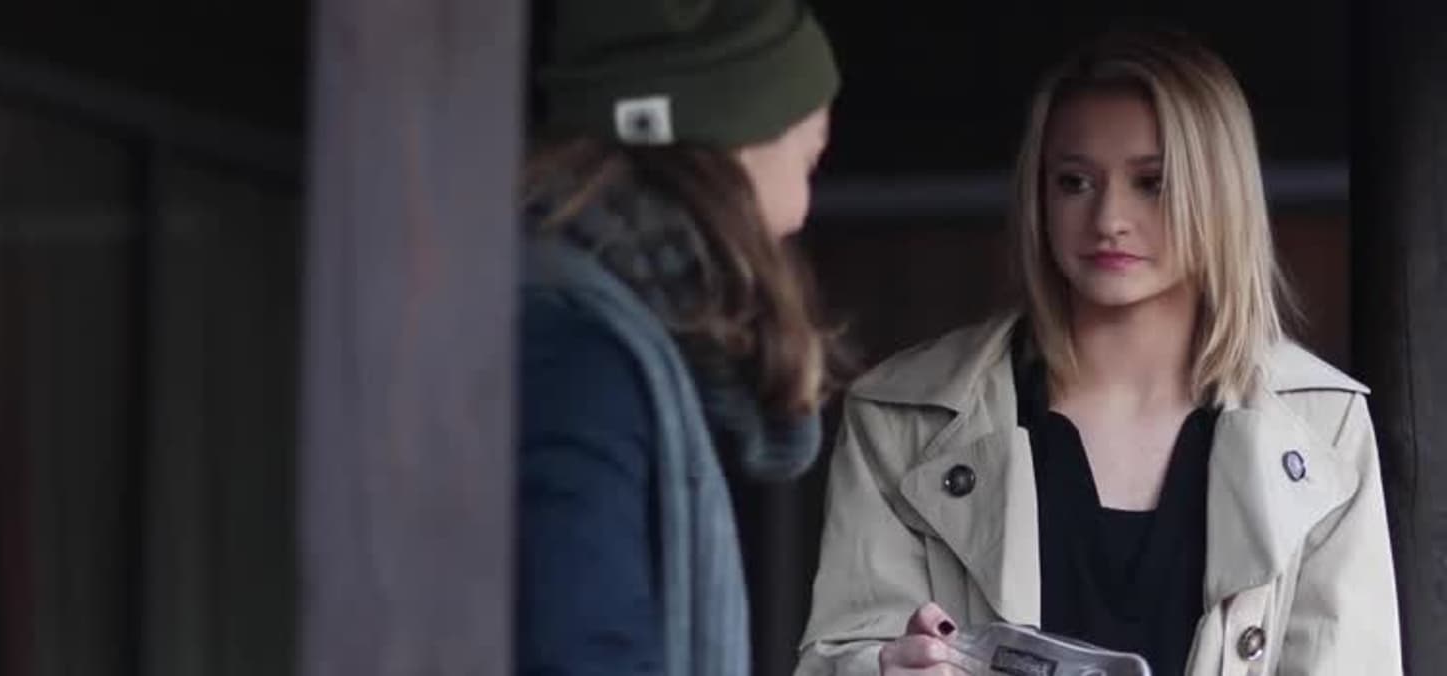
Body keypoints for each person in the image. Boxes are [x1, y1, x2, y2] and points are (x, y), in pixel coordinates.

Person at [795, 30, 1401, 676]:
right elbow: (839, 654)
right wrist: (886, 667)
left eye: (1152, 183)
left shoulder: (1321, 424)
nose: (1109, 217)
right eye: (1075, 181)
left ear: (1219, 193)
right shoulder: (904, 416)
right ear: (1038, 194)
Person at [515, 2, 841, 674]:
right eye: (808, 161)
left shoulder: (595, 336)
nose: (800, 211)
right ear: (733, 143)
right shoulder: (579, 356)